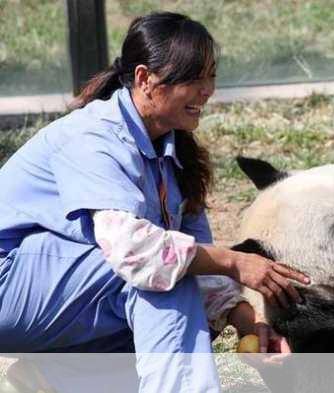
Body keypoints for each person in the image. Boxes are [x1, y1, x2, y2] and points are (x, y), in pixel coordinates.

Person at [0, 11, 309, 393]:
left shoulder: (172, 150)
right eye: (194, 78)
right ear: (145, 79)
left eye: (211, 76)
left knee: (179, 285)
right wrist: (236, 262)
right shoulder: (94, 136)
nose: (207, 90)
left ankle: (56, 379)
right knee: (165, 272)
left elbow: (201, 259)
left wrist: (248, 323)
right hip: (7, 286)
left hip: (48, 301)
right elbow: (140, 253)